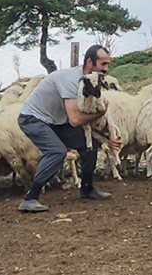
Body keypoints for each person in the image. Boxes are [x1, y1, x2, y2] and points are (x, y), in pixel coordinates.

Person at [15, 45, 122, 213]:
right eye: (103, 64)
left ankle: (87, 189)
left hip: (56, 121)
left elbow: (89, 119)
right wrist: (102, 111)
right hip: (33, 119)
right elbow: (76, 119)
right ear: (89, 62)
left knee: (90, 145)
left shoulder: (91, 82)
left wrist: (108, 138)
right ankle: (30, 198)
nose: (106, 69)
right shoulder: (71, 81)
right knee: (56, 151)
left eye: (108, 64)